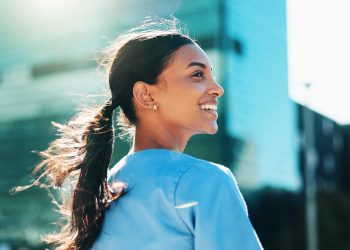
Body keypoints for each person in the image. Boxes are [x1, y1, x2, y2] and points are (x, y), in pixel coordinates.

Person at [21, 18, 263, 250]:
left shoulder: (101, 196)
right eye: (197, 74)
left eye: (211, 74)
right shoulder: (205, 180)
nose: (217, 88)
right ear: (146, 95)